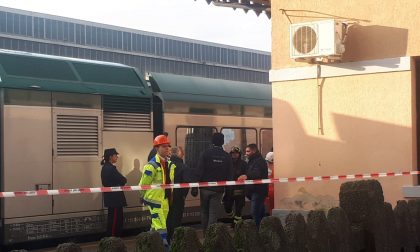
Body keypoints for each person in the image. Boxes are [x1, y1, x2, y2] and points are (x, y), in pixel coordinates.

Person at [139, 134, 175, 248]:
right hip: (154, 200)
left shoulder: (169, 163)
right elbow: (143, 184)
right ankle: (165, 247)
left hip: (164, 199)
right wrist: (143, 197)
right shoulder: (151, 166)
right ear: (156, 148)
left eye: (168, 146)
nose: (167, 148)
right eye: (164, 146)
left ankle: (148, 245)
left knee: (156, 226)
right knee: (161, 225)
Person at [192, 132, 233, 231]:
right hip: (218, 190)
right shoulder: (227, 156)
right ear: (222, 142)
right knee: (213, 214)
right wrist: (229, 192)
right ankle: (210, 237)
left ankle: (206, 234)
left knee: (204, 212)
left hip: (204, 189)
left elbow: (199, 171)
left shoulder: (205, 154)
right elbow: (230, 176)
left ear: (212, 141)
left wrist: (194, 187)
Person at [238, 144, 268, 229]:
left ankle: (257, 231)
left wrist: (246, 176)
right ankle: (263, 230)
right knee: (260, 211)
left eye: (248, 151)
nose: (246, 153)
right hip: (254, 190)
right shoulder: (252, 160)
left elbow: (257, 173)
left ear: (254, 151)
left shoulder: (259, 161)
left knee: (255, 212)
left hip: (258, 190)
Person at [100, 148, 127, 237]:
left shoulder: (105, 168)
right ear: (111, 157)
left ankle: (112, 238)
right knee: (116, 220)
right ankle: (114, 239)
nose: (117, 157)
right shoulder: (111, 168)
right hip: (115, 199)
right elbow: (123, 180)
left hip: (111, 199)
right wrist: (123, 180)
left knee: (112, 219)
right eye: (115, 155)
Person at [167, 146, 189, 243]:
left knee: (168, 217)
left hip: (166, 196)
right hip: (178, 197)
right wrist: (184, 195)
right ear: (178, 154)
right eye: (182, 152)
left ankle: (167, 239)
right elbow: (186, 183)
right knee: (176, 218)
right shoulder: (183, 166)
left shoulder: (166, 164)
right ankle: (175, 240)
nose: (183, 154)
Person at [222, 146, 248, 227]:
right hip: (229, 189)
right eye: (233, 153)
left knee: (239, 209)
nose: (234, 155)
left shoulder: (244, 164)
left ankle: (236, 225)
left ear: (239, 154)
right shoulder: (227, 164)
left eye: (236, 153)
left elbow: (247, 175)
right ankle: (233, 218)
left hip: (240, 190)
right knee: (227, 207)